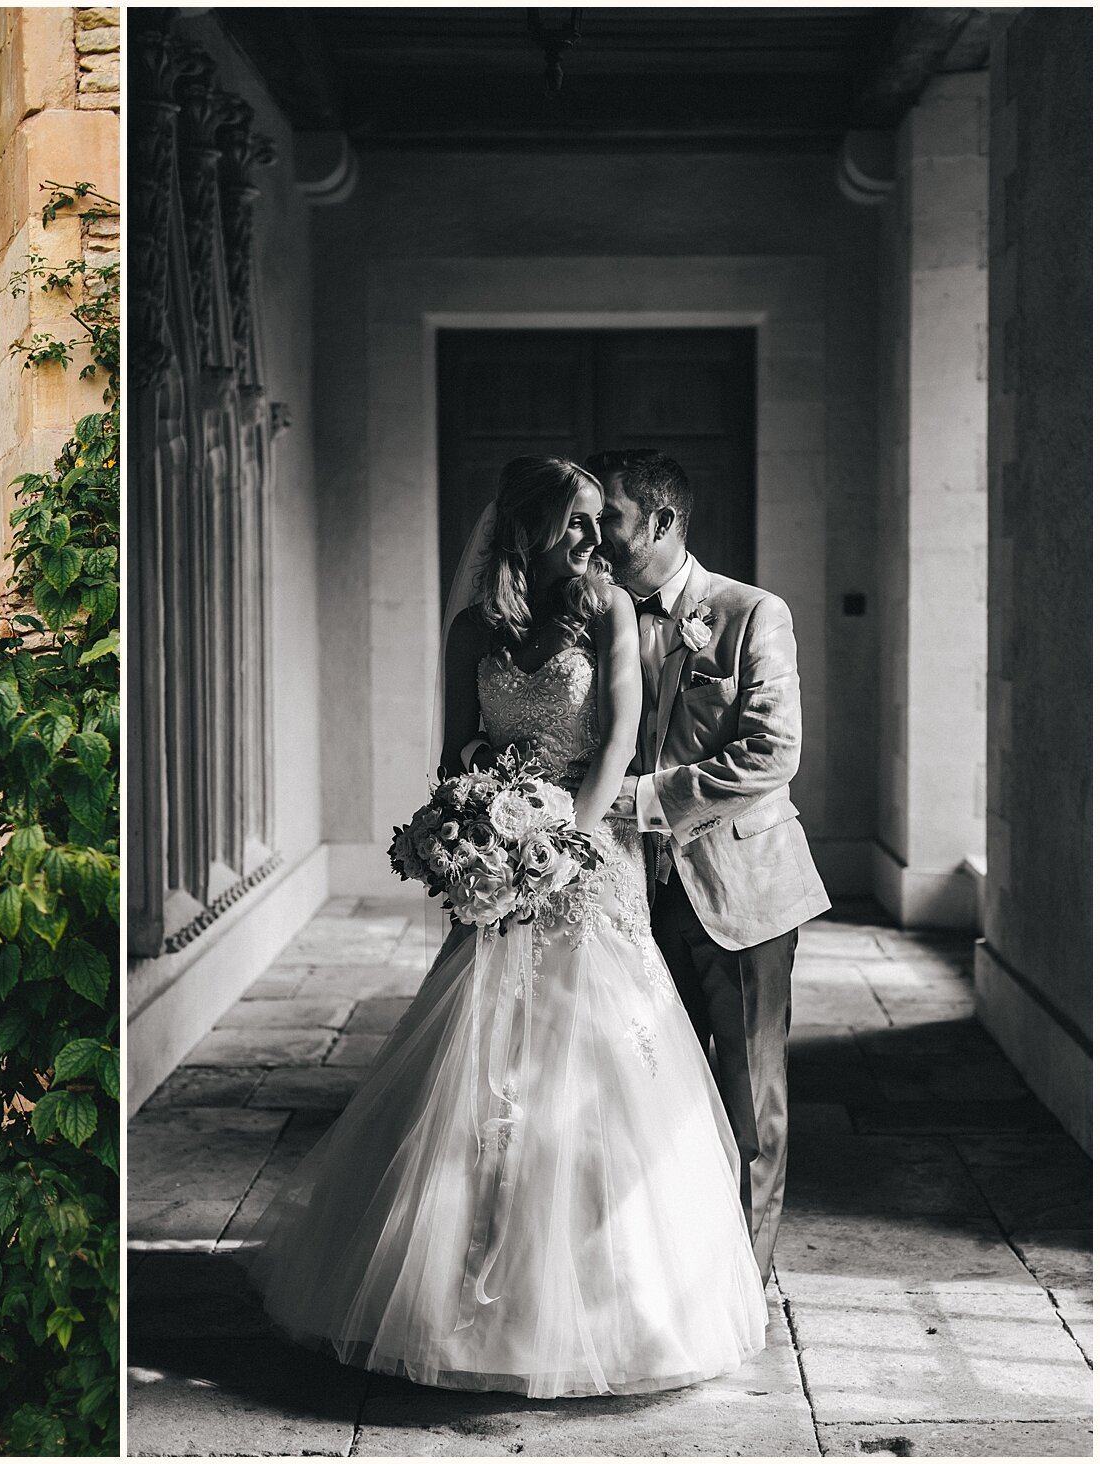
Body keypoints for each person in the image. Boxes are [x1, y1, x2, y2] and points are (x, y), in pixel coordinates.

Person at [246, 456, 766, 1398]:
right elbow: (453, 750)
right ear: (524, 529)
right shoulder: (472, 630)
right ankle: (460, 1290)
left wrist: (561, 838)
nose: (590, 539)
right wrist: (474, 820)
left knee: (592, 1064)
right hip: (501, 851)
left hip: (584, 857)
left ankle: (609, 1304)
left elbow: (614, 740)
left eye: (596, 523)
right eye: (572, 523)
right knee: (479, 1063)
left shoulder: (608, 612)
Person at [587, 448, 832, 1281]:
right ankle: (675, 1273)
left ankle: (743, 1285)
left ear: (660, 523)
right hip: (630, 898)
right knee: (660, 1091)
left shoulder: (754, 612)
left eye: (608, 519)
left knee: (749, 1098)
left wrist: (642, 799)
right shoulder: (599, 616)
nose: (593, 538)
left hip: (740, 895)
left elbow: (772, 753)